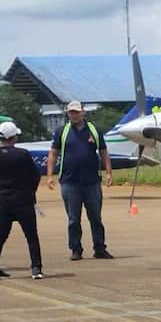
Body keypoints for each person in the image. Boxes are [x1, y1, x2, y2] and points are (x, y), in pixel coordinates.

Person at [46, 100, 114, 260]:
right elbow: (53, 153)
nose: (74, 115)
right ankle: (76, 249)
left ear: (83, 112)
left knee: (96, 217)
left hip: (92, 182)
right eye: (71, 112)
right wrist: (49, 175)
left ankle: (99, 248)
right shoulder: (61, 132)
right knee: (73, 219)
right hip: (70, 182)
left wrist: (109, 173)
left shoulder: (94, 131)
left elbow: (103, 152)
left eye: (76, 112)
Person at [0, 121, 44, 280]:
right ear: (13, 137)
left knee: (1, 235)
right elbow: (35, 175)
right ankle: (36, 268)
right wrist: (31, 191)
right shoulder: (22, 154)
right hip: (23, 198)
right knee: (31, 235)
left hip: (4, 199)